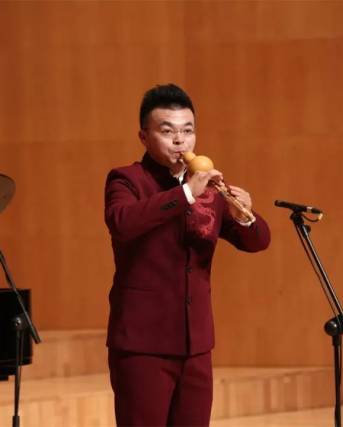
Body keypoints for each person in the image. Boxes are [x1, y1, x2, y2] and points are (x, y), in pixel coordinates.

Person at [104, 83, 271, 427]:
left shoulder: (209, 188)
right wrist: (184, 194)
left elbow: (257, 242)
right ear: (144, 136)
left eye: (188, 130)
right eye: (167, 131)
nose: (180, 141)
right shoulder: (126, 179)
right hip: (142, 344)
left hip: (196, 344)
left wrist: (246, 216)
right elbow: (122, 222)